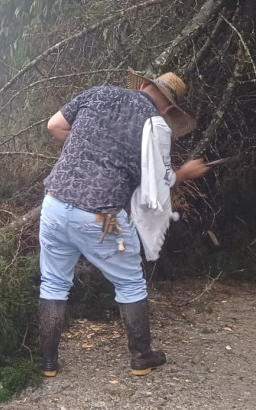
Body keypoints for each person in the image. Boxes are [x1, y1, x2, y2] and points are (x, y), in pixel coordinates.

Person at [38, 70, 209, 377]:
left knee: (53, 282)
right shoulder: (157, 127)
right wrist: (185, 172)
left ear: (143, 85)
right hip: (102, 219)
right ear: (169, 109)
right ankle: (142, 357)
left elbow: (54, 125)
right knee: (130, 283)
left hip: (54, 204)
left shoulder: (99, 93)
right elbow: (160, 183)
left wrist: (83, 149)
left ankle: (48, 363)